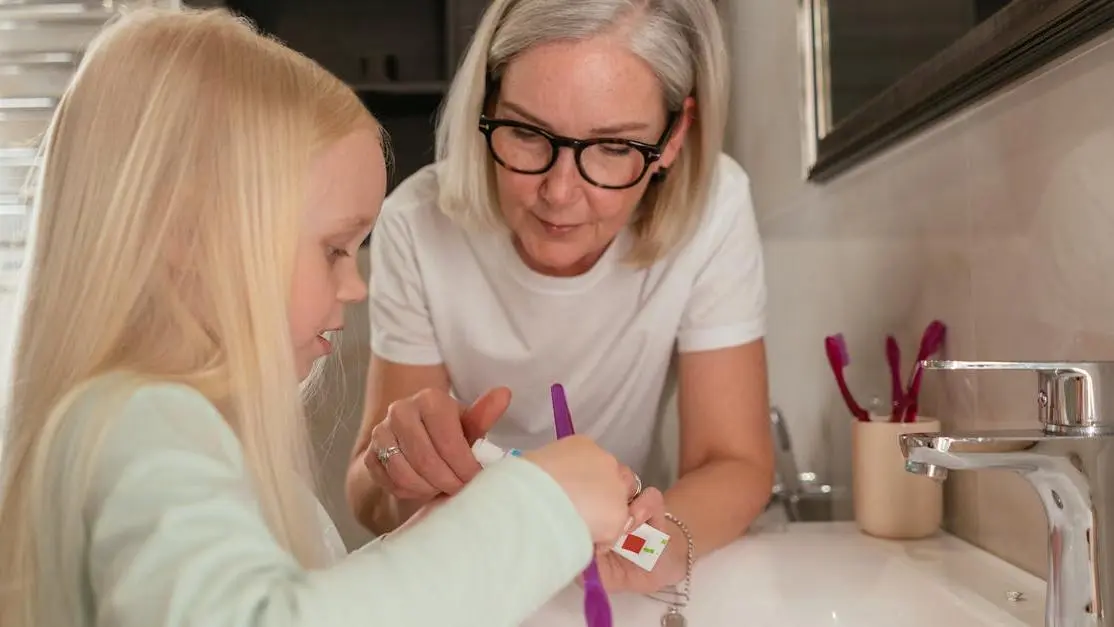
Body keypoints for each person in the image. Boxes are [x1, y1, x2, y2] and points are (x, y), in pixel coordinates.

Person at [0, 8, 642, 627]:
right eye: (335, 249)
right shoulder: (145, 424)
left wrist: (448, 535)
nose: (355, 285)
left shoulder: (153, 428)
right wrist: (538, 507)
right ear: (189, 233)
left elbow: (308, 604)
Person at [348, 0, 775, 596]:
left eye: (613, 148)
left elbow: (735, 461)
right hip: (473, 567)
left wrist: (656, 545)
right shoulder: (417, 223)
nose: (559, 192)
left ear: (675, 136)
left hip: (615, 560)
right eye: (526, 132)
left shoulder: (715, 210)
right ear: (487, 107)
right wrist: (405, 472)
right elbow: (368, 492)